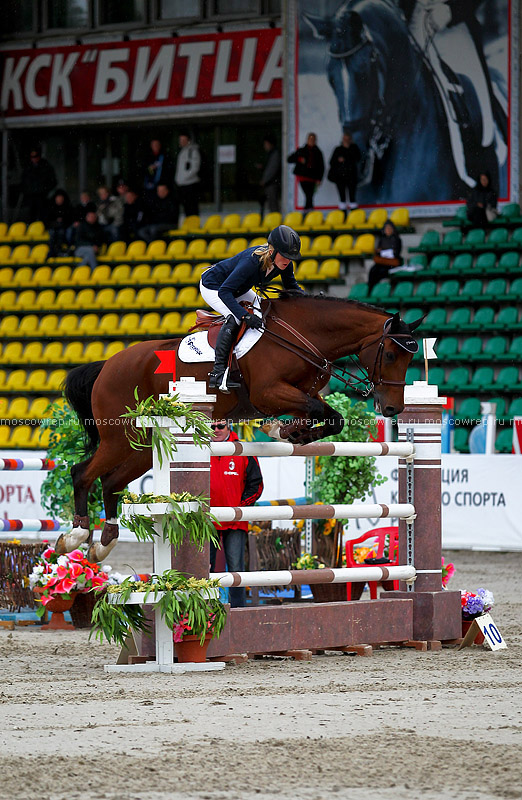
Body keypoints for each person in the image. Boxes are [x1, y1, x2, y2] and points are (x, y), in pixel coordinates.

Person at [200, 225, 303, 393]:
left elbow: (291, 286)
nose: (288, 260)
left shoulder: (284, 263)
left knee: (264, 308)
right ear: (272, 251)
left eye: (291, 257)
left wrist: (310, 299)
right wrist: (244, 316)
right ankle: (218, 374)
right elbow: (225, 292)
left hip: (238, 288)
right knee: (234, 318)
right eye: (285, 255)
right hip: (214, 286)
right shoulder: (251, 262)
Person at [209, 420, 264, 608]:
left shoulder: (243, 450)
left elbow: (256, 485)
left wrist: (239, 508)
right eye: (211, 427)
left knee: (236, 570)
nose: (216, 430)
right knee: (204, 569)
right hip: (207, 521)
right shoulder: (199, 450)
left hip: (235, 521)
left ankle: (238, 611)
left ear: (229, 427)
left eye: (220, 426)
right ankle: (204, 611)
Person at [287, 133, 324, 211]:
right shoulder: (302, 150)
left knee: (310, 196)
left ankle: (308, 211)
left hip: (313, 178)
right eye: (310, 139)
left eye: (313, 140)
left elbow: (321, 167)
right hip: (303, 177)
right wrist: (299, 159)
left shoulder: (318, 152)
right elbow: (289, 159)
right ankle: (308, 211)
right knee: (308, 195)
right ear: (307, 140)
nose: (311, 141)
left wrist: (319, 179)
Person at [21, 145, 57, 223]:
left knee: (42, 215)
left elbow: (53, 181)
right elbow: (24, 181)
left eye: (35, 157)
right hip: (31, 196)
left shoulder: (46, 166)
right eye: (32, 157)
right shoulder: (28, 167)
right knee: (31, 215)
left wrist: (44, 190)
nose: (34, 159)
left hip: (42, 196)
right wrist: (27, 191)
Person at [327, 132, 361, 211]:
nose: (346, 140)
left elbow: (358, 158)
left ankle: (354, 214)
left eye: (347, 139)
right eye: (344, 139)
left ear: (350, 140)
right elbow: (331, 162)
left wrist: (346, 158)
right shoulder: (338, 149)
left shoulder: (354, 148)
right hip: (340, 177)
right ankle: (343, 215)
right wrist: (339, 160)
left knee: (352, 196)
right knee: (342, 197)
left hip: (351, 176)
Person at [367, 221, 403, 293]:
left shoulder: (397, 240)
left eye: (389, 229)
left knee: (382, 271)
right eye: (386, 229)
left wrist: (388, 252)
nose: (388, 230)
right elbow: (378, 251)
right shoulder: (382, 239)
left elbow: (396, 252)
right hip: (382, 261)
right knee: (373, 270)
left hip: (392, 262)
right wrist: (379, 252)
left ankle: (376, 288)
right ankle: (370, 288)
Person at [175, 131, 201, 218]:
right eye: (180, 140)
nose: (182, 142)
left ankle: (193, 227)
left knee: (192, 208)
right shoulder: (181, 152)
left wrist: (184, 178)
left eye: (184, 140)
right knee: (186, 208)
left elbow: (195, 168)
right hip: (182, 185)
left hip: (190, 185)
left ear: (188, 140)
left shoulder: (193, 151)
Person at [74, 204, 106, 270]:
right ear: (87, 217)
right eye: (90, 216)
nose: (92, 218)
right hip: (80, 249)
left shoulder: (98, 227)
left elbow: (101, 239)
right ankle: (95, 269)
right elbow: (78, 241)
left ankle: (79, 269)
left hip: (95, 249)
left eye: (94, 217)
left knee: (88, 256)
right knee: (90, 250)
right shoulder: (82, 226)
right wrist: (91, 245)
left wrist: (96, 246)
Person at [143, 138, 174, 203]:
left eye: (157, 144)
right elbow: (143, 170)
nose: (155, 146)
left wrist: (164, 183)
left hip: (162, 186)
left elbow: (169, 171)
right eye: (154, 145)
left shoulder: (165, 156)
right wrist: (150, 168)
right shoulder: (147, 157)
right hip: (150, 186)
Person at [47, 189, 73, 257]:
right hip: (53, 227)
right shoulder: (50, 207)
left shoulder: (67, 207)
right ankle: (52, 251)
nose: (59, 200)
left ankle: (59, 250)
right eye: (58, 198)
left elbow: (70, 219)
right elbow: (47, 220)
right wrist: (55, 222)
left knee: (61, 233)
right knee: (52, 233)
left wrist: (62, 221)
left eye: (61, 198)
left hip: (63, 227)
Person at [259, 134, 281, 214]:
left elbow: (272, 169)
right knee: (270, 204)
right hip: (270, 183)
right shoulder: (270, 154)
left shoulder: (274, 154)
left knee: (273, 205)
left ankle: (276, 223)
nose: (265, 146)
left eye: (266, 144)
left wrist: (264, 180)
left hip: (272, 183)